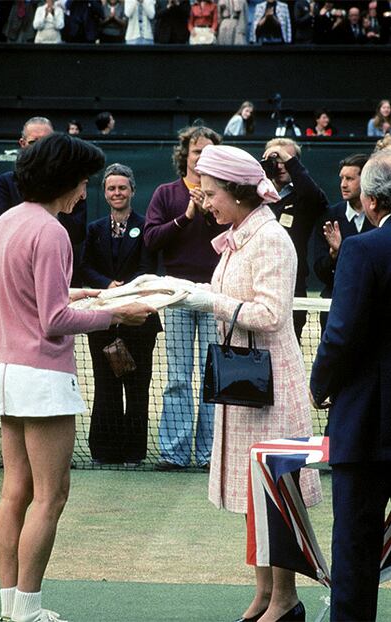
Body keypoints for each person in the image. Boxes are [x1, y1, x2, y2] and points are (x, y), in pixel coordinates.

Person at [0, 133, 155, 622]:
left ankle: (11, 609)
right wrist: (119, 315)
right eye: (83, 181)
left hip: (3, 373)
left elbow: (32, 297)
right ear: (64, 179)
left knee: (15, 491)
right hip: (41, 378)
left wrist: (81, 295)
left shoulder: (5, 223)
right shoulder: (52, 231)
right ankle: (30, 611)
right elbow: (53, 320)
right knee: (50, 497)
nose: (86, 191)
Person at [169, 144, 321, 622]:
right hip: (245, 386)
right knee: (259, 497)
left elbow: (272, 314)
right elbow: (232, 297)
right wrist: (191, 292)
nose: (205, 201)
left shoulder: (272, 238)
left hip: (271, 387)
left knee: (277, 496)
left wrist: (205, 301)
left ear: (236, 192)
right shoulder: (240, 234)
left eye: (211, 193)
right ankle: (263, 596)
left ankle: (286, 600)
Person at [310, 148, 391, 622]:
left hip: (367, 426)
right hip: (369, 421)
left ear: (371, 203)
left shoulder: (362, 249)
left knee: (356, 548)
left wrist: (318, 386)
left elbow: (340, 335)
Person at [144, 125, 225, 470]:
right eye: (196, 151)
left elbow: (232, 237)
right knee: (177, 377)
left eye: (208, 151)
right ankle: (173, 453)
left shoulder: (223, 195)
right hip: (176, 294)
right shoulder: (166, 193)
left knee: (212, 376)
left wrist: (208, 214)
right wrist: (187, 216)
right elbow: (151, 239)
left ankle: (210, 454)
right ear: (185, 155)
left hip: (214, 295)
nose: (201, 157)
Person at [80, 163, 163, 466]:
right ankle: (105, 451)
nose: (117, 193)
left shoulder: (147, 227)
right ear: (104, 193)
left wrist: (126, 289)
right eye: (111, 188)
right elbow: (85, 266)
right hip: (102, 322)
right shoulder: (94, 229)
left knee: (138, 387)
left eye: (122, 188)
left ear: (132, 191)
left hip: (140, 322)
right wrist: (108, 286)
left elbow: (148, 267)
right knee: (106, 385)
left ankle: (133, 453)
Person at [0, 116, 87, 287]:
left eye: (46, 142)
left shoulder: (73, 184)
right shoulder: (6, 183)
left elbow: (78, 232)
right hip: (20, 281)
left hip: (62, 280)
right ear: (22, 144)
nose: (40, 149)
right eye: (33, 142)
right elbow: (3, 233)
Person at [261, 137, 328, 342]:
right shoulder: (257, 195)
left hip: (292, 281)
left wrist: (289, 160)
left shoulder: (304, 197)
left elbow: (316, 198)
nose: (280, 165)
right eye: (275, 159)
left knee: (290, 344)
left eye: (285, 159)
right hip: (259, 280)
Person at [314, 153, 373, 334]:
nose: (343, 184)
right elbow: (320, 270)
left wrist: (344, 250)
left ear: (365, 181)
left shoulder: (380, 217)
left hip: (372, 306)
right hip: (336, 306)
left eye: (349, 179)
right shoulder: (329, 216)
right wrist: (334, 254)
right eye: (341, 178)